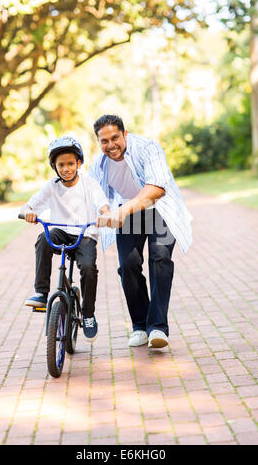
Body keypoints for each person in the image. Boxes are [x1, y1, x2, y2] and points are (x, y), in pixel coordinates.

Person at [90, 115, 193, 349]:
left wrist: (122, 210)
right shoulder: (99, 165)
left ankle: (158, 327)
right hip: (128, 214)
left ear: (125, 134)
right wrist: (105, 212)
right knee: (128, 266)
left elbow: (156, 189)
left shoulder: (148, 148)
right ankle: (139, 326)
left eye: (115, 137)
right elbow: (96, 196)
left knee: (160, 258)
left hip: (160, 210)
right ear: (98, 142)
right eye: (104, 141)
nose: (110, 145)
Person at [20, 135, 110, 342]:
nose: (66, 168)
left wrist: (105, 214)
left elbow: (103, 206)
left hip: (84, 233)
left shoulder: (89, 184)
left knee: (88, 267)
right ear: (54, 166)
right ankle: (41, 294)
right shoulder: (52, 186)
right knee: (43, 238)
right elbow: (29, 206)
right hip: (60, 230)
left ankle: (88, 314)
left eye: (71, 163)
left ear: (79, 163)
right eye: (61, 164)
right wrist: (28, 212)